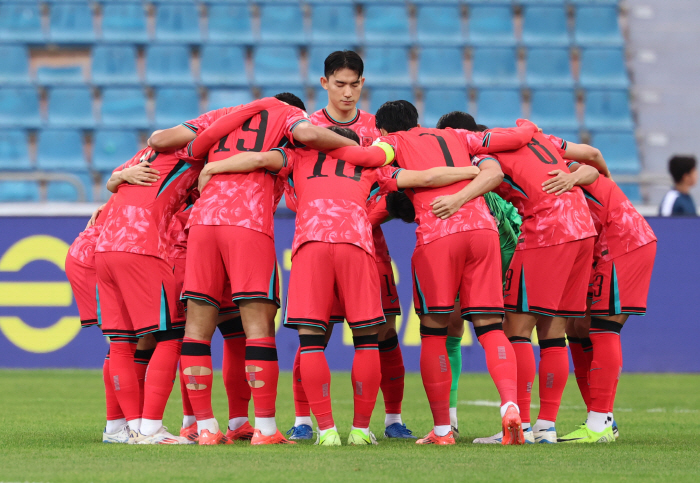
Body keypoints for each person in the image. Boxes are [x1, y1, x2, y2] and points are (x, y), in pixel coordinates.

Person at [194, 125, 483, 445]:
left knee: (312, 342)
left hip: (310, 244)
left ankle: (326, 431)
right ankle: (360, 431)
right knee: (367, 341)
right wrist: (471, 171)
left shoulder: (295, 156)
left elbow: (257, 158)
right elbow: (425, 178)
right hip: (357, 245)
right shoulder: (370, 163)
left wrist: (214, 166)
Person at [326, 101, 539, 445]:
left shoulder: (390, 146)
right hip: (483, 232)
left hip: (439, 235)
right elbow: (498, 165)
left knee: (434, 331)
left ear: (381, 130)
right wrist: (529, 129)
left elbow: (388, 170)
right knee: (490, 328)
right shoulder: (455, 135)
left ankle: (442, 430)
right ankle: (510, 407)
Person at [178, 94, 358, 445]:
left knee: (197, 328)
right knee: (258, 327)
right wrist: (354, 143)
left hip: (201, 224)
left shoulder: (224, 127)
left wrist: (213, 166)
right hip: (247, 225)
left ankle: (205, 428)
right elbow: (297, 141)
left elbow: (174, 141)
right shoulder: (287, 134)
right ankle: (265, 427)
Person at [285, 50, 414, 440]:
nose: (346, 92)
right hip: (339, 235)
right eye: (338, 84)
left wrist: (365, 216)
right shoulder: (304, 128)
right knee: (316, 333)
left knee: (384, 333)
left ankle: (393, 420)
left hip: (368, 244)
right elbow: (293, 193)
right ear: (324, 83)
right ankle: (303, 421)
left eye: (353, 84)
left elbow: (398, 190)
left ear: (362, 84)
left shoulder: (378, 129)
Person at [445, 132, 599, 444]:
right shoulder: (538, 144)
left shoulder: (480, 154)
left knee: (516, 327)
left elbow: (493, 176)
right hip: (582, 229)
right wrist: (574, 177)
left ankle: (523, 426)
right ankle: (546, 427)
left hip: (548, 230)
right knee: (554, 331)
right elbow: (592, 168)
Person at [95, 141, 214, 445]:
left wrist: (119, 178)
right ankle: (149, 428)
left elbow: (112, 180)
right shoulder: (190, 154)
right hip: (140, 247)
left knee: (121, 343)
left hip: (103, 247)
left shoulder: (146, 156)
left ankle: (121, 428)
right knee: (172, 336)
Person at [555, 153, 657, 443]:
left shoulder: (549, 159)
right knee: (576, 326)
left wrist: (581, 177)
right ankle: (601, 420)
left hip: (622, 242)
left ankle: (599, 423)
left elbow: (590, 162)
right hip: (599, 248)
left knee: (603, 328)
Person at [433, 114, 523, 438]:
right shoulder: (493, 180)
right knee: (499, 332)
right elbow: (516, 225)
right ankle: (514, 408)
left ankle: (449, 422)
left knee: (448, 332)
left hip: (457, 242)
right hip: (500, 253)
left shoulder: (440, 165)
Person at [66, 194, 155, 444]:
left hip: (98, 253)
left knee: (138, 339)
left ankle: (120, 426)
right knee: (123, 341)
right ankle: (124, 428)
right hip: (97, 259)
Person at [165, 197, 254, 444]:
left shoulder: (222, 165)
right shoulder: (188, 163)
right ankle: (191, 420)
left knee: (238, 335)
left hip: (226, 246)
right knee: (192, 337)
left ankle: (238, 421)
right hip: (187, 252)